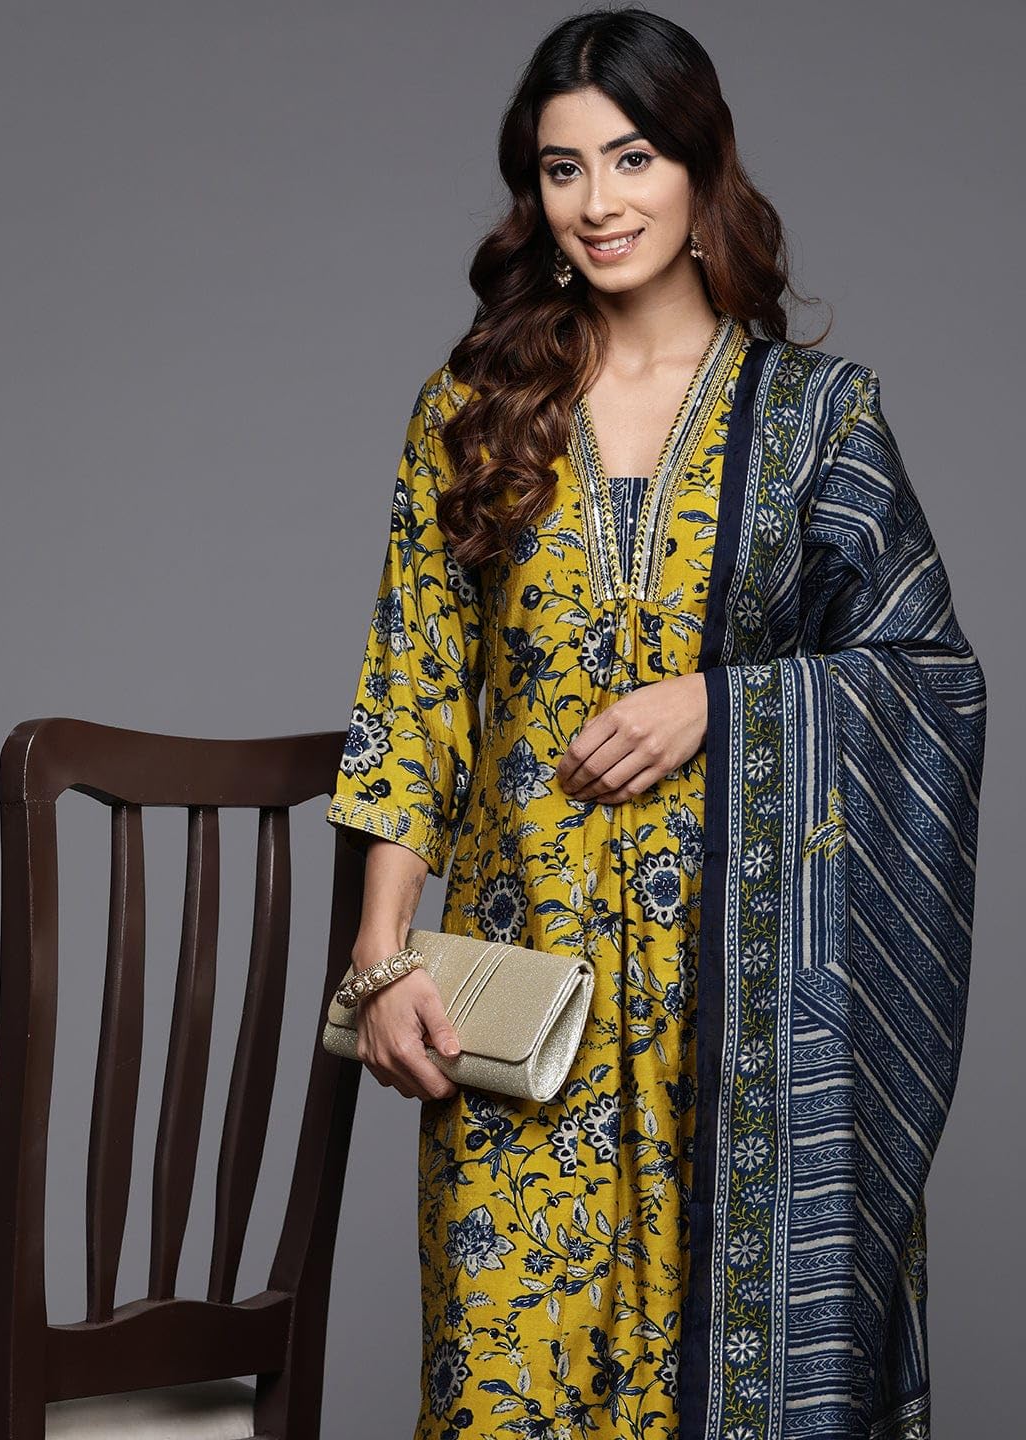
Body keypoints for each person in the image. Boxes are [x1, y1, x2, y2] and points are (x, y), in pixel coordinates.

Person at [324, 10, 987, 1439]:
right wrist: (383, 958)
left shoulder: (818, 421)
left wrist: (724, 703)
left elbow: (929, 678)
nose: (600, 200)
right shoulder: (475, 409)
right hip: (520, 993)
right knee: (503, 1391)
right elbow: (413, 694)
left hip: (745, 1020)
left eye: (632, 158)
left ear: (699, 168)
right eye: (562, 168)